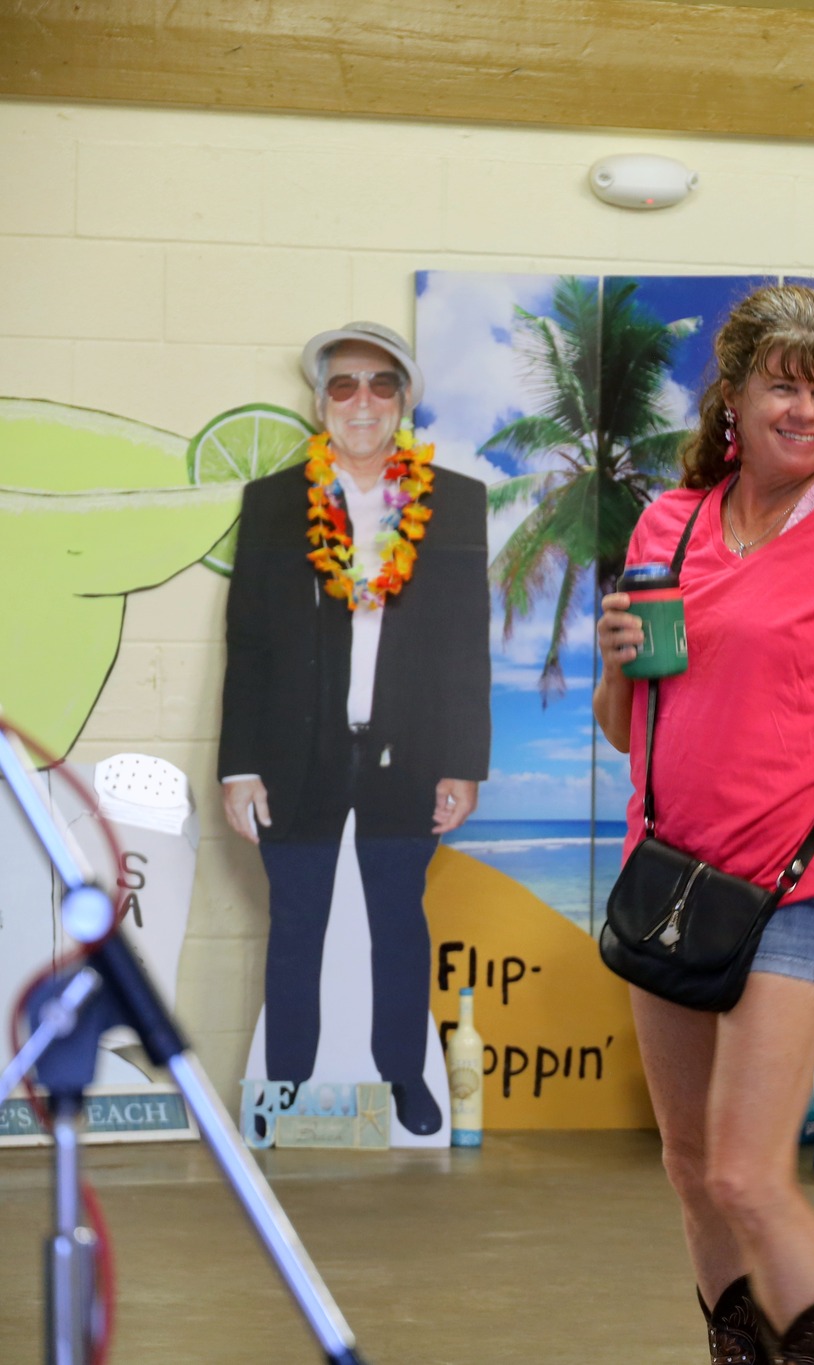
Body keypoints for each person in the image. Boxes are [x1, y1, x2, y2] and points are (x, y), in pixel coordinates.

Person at [594, 284, 814, 1365]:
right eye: (783, 387)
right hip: (668, 880)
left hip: (794, 894)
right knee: (690, 1168)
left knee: (749, 1175)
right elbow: (627, 729)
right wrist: (615, 665)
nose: (805, 410)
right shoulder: (668, 524)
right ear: (734, 399)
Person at [219, 321, 489, 1138]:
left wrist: (463, 762)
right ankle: (286, 1084)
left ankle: (403, 1073)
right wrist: (239, 765)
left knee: (398, 921)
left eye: (381, 384)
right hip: (296, 752)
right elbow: (248, 642)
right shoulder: (273, 503)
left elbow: (465, 643)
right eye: (343, 384)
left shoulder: (455, 502)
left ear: (403, 401)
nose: (361, 401)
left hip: (407, 752)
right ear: (320, 402)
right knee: (296, 922)